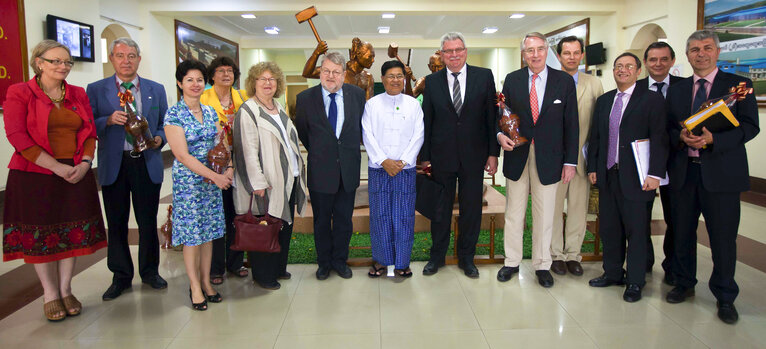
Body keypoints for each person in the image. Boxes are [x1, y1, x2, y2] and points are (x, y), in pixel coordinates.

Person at [2, 40, 107, 321]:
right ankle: (50, 294)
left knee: (70, 232)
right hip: (35, 174)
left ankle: (66, 288)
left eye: (67, 62)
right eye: (56, 61)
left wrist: (85, 163)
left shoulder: (76, 93)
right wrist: (56, 168)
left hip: (75, 171)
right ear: (39, 62)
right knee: (43, 235)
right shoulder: (20, 92)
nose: (63, 67)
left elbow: (89, 132)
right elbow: (17, 136)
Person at [665, 30, 759, 324]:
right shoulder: (678, 89)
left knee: (722, 237)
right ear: (687, 55)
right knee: (681, 232)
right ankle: (683, 282)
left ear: (717, 52)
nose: (700, 54)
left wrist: (713, 141)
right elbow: (666, 127)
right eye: (694, 49)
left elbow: (749, 126)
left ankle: (725, 295)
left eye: (706, 48)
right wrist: (679, 136)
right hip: (684, 172)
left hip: (722, 174)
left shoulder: (739, 85)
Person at [87, 38, 168, 301]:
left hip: (146, 161)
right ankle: (121, 275)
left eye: (132, 55)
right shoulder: (96, 89)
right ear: (112, 58)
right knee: (117, 222)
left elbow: (164, 123)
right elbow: (87, 125)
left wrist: (159, 139)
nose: (126, 61)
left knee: (147, 221)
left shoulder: (155, 89)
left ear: (139, 59)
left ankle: (150, 271)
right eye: (120, 55)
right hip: (115, 163)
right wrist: (107, 120)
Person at [496, 32, 578, 288]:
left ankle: (542, 264)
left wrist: (570, 161)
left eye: (540, 49)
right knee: (514, 212)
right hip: (517, 155)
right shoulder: (512, 80)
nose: (535, 54)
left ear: (547, 51)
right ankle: (511, 261)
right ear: (524, 54)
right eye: (530, 50)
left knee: (545, 215)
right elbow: (502, 113)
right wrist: (499, 135)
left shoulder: (563, 82)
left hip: (550, 158)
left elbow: (571, 124)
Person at [586, 52, 669, 302]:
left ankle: (635, 281)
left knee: (636, 230)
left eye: (628, 66)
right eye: (618, 66)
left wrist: (655, 174)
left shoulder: (652, 100)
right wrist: (593, 168)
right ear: (613, 70)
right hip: (609, 174)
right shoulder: (605, 101)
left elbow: (660, 139)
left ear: (638, 71)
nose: (622, 70)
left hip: (638, 176)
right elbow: (596, 138)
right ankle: (612, 273)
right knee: (610, 229)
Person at [420, 32, 499, 278]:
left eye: (458, 50)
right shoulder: (431, 82)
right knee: (440, 210)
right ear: (441, 55)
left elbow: (490, 118)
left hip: (474, 157)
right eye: (448, 51)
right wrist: (425, 158)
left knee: (471, 210)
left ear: (465, 51)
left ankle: (467, 259)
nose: (454, 55)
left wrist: (492, 154)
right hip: (441, 158)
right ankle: (437, 257)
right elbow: (427, 121)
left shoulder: (484, 76)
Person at [232, 62, 308, 290]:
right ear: (253, 82)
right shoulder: (248, 111)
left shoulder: (278, 108)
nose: (268, 83)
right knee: (264, 225)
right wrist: (257, 183)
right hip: (266, 182)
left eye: (272, 79)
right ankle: (264, 275)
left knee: (283, 225)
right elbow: (247, 149)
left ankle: (278, 268)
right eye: (262, 79)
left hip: (288, 178)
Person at [164, 59, 230, 310]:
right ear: (180, 83)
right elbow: (182, 155)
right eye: (189, 80)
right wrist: (215, 176)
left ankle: (206, 281)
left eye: (199, 80)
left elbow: (220, 144)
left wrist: (229, 168)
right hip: (190, 184)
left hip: (211, 182)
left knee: (208, 235)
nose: (195, 84)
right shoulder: (174, 114)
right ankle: (194, 286)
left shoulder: (211, 111)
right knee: (192, 237)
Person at [295, 52, 366, 280]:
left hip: (348, 171)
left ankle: (340, 261)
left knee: (345, 221)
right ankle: (324, 263)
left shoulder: (357, 95)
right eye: (326, 71)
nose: (330, 76)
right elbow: (304, 133)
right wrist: (323, 151)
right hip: (320, 171)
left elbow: (361, 128)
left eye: (336, 72)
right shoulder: (305, 98)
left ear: (344, 75)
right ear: (320, 73)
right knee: (322, 221)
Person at [362, 60, 424, 278]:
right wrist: (383, 161)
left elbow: (419, 135)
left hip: (405, 169)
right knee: (380, 216)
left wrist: (404, 161)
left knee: (404, 216)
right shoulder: (372, 104)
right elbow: (367, 135)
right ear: (383, 79)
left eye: (399, 76)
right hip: (379, 169)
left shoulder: (413, 104)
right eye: (391, 76)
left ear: (404, 79)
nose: (395, 80)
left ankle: (402, 263)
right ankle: (380, 261)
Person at [550, 36, 604, 276]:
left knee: (578, 209)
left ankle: (573, 254)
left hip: (582, 158)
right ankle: (555, 255)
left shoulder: (594, 84)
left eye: (576, 52)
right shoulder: (549, 82)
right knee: (552, 209)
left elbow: (599, 125)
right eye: (566, 53)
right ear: (559, 55)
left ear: (582, 55)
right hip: (553, 159)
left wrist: (595, 160)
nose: (571, 57)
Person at [200, 56, 249, 285]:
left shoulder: (242, 97)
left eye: (230, 70)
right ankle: (215, 267)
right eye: (220, 71)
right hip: (215, 165)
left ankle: (236, 262)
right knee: (217, 215)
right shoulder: (203, 98)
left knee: (237, 213)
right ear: (212, 75)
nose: (226, 75)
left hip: (240, 163)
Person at [637, 41, 683, 283]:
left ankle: (673, 265)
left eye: (664, 59)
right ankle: (643, 262)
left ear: (672, 61)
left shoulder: (684, 88)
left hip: (676, 162)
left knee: (675, 216)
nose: (658, 64)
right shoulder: (635, 88)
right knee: (641, 215)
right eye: (653, 59)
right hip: (642, 163)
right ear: (645, 63)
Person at [302, 38, 376, 100]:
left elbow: (368, 104)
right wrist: (316, 53)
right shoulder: (337, 68)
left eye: (373, 57)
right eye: (370, 56)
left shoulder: (368, 78)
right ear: (358, 55)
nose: (373, 60)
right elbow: (307, 73)